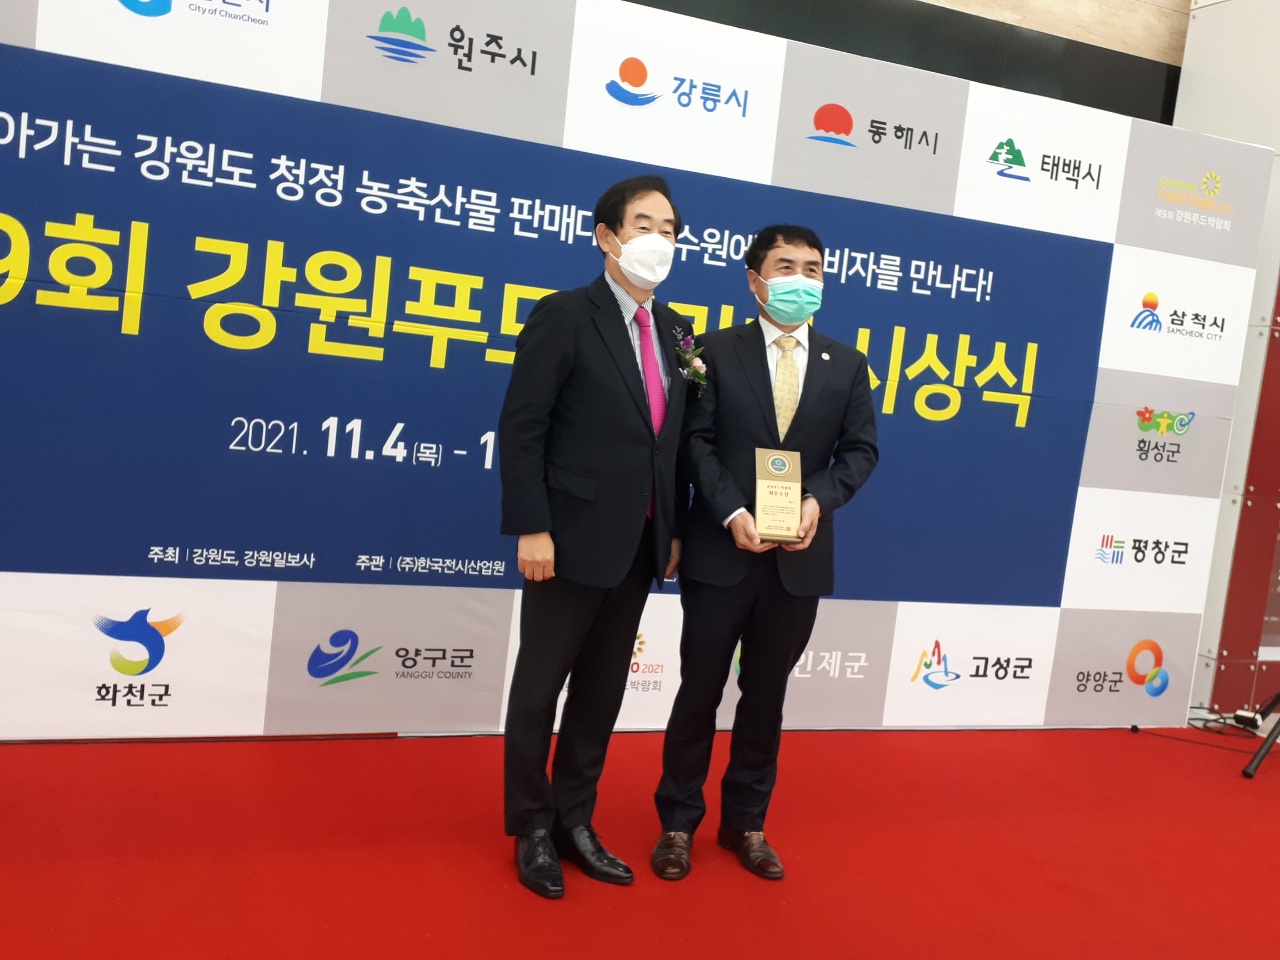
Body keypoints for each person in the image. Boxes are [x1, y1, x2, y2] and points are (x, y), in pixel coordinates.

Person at [651, 224, 879, 881]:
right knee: (699, 691)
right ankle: (677, 823)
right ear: (755, 280)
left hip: (796, 559)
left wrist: (817, 501)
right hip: (721, 551)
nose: (801, 280)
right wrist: (731, 511)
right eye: (785, 267)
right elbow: (694, 443)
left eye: (813, 269)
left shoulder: (847, 364)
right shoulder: (710, 351)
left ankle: (746, 824)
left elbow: (860, 451)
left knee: (765, 697)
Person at [499, 175, 694, 898]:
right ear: (606, 236)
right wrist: (532, 525)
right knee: (539, 688)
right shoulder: (564, 315)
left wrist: (672, 528)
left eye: (669, 230)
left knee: (602, 691)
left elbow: (672, 445)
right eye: (644, 225)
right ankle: (532, 826)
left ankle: (575, 819)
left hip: (641, 544)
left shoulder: (678, 332)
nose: (658, 240)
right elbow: (523, 427)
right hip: (567, 538)